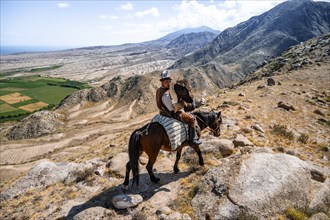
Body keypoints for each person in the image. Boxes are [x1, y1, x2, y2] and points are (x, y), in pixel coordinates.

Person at [156, 70, 202, 146]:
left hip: (162, 112)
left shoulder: (159, 89)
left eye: (169, 81)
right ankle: (192, 140)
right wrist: (181, 104)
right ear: (162, 82)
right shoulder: (165, 94)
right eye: (166, 81)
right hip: (169, 113)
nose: (169, 83)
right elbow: (171, 109)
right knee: (192, 119)